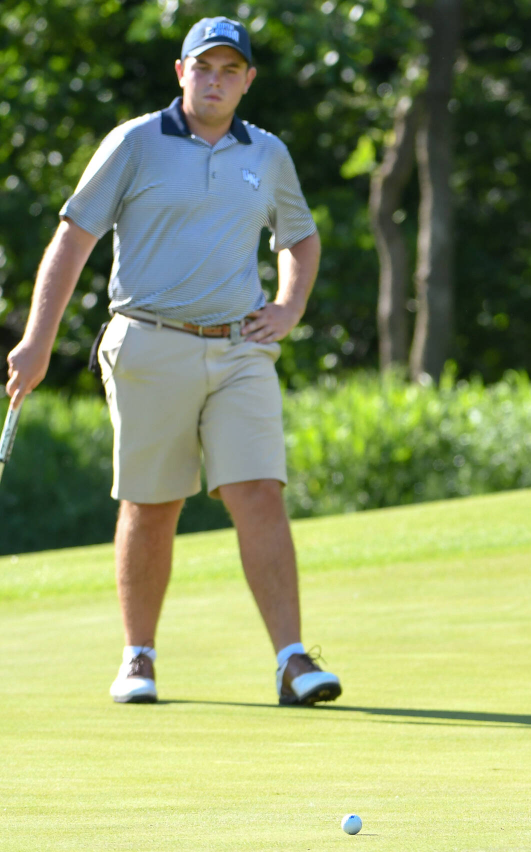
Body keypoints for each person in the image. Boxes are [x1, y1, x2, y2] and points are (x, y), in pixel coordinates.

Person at [4, 17, 342, 707]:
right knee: (153, 505)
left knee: (259, 491)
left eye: (229, 71)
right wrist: (38, 342)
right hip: (148, 341)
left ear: (247, 80)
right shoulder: (134, 143)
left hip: (240, 346)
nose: (215, 81)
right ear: (180, 72)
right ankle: (138, 658)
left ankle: (292, 660)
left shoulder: (268, 154)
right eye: (203, 68)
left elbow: (299, 239)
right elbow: (73, 241)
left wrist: (287, 307)